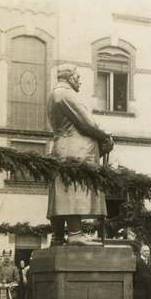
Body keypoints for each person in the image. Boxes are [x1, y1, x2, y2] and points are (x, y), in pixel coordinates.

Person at [46, 64, 113, 247]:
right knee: (73, 191)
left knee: (61, 193)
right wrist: (106, 135)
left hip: (62, 148)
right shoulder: (66, 94)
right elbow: (87, 122)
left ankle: (58, 237)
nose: (80, 80)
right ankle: (75, 233)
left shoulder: (54, 95)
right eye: (77, 76)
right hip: (74, 151)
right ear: (68, 77)